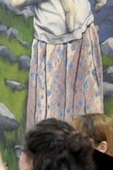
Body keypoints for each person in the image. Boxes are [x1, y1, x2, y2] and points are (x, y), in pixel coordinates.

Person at [12, 0, 106, 129]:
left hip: (81, 32)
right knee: (53, 109)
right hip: (53, 41)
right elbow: (17, 2)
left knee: (84, 107)